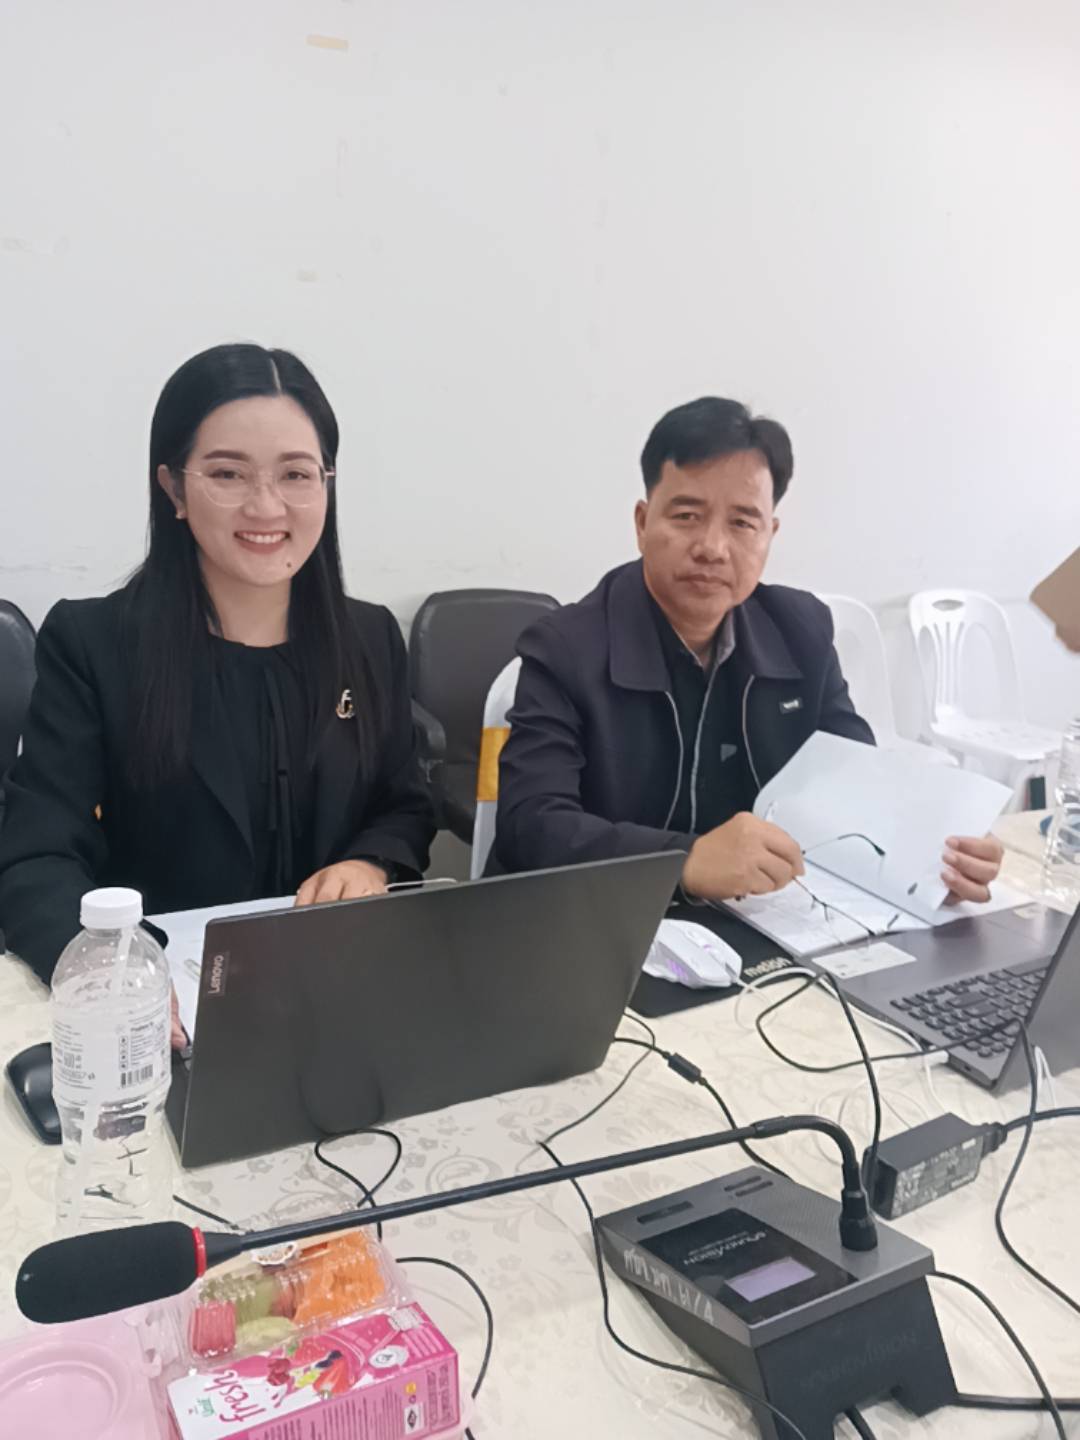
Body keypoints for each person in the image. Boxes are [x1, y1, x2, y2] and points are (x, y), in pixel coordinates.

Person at [0, 345, 435, 1032]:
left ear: (326, 484)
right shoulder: (93, 644)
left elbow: (404, 803)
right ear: (173, 489)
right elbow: (37, 855)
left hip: (338, 999)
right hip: (160, 1014)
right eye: (228, 473)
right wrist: (106, 972)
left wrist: (371, 863)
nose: (266, 505)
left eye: (296, 474)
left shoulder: (370, 637)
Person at [492, 396, 1003, 904]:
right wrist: (684, 862)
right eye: (687, 515)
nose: (713, 548)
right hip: (606, 917)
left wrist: (935, 859)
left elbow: (857, 784)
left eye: (742, 523)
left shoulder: (800, 631)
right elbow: (531, 825)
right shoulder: (565, 648)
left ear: (769, 533)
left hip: (762, 918)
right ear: (643, 523)